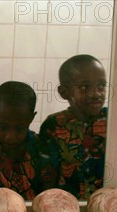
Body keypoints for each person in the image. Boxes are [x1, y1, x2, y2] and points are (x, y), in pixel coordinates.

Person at [39, 54, 108, 200]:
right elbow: (46, 175)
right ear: (64, 92)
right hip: (65, 208)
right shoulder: (54, 125)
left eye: (101, 85)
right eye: (85, 87)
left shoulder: (113, 121)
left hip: (109, 206)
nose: (96, 94)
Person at [0, 81, 46, 201]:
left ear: (31, 118)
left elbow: (47, 192)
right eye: (4, 127)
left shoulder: (41, 148)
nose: (10, 136)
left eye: (19, 128)